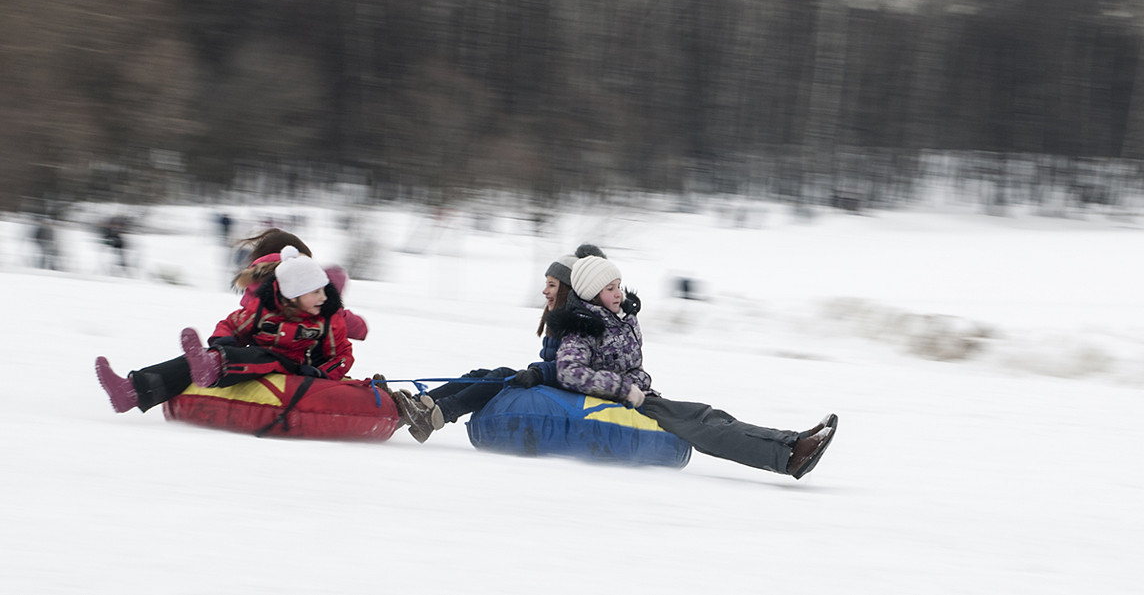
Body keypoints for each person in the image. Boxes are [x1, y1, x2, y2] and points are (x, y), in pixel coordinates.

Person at [547, 253, 838, 479]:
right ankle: (789, 458)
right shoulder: (582, 328)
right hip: (623, 405)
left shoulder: (618, 318)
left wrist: (636, 384)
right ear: (590, 293)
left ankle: (794, 442)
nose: (619, 293)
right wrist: (625, 389)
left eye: (619, 286)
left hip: (643, 398)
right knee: (706, 429)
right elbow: (570, 372)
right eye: (610, 288)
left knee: (709, 415)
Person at [94, 246, 431, 431]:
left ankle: (212, 366)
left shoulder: (328, 320)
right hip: (249, 360)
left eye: (323, 292)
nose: (320, 298)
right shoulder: (263, 310)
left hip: (298, 371)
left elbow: (341, 354)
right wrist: (221, 341)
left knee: (264, 357)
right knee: (200, 362)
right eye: (312, 292)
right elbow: (232, 323)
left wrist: (324, 374)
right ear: (291, 295)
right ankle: (131, 390)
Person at [409, 244, 604, 443]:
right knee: (479, 375)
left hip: (570, 392)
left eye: (552, 285)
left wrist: (538, 373)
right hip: (555, 382)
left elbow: (573, 370)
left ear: (569, 290)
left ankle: (437, 416)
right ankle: (421, 404)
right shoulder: (561, 318)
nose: (544, 291)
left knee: (501, 376)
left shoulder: (579, 323)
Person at [233, 228, 368, 341]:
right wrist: (331, 295)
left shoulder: (251, 299)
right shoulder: (306, 297)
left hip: (259, 364)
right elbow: (359, 329)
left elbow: (234, 329)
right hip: (305, 367)